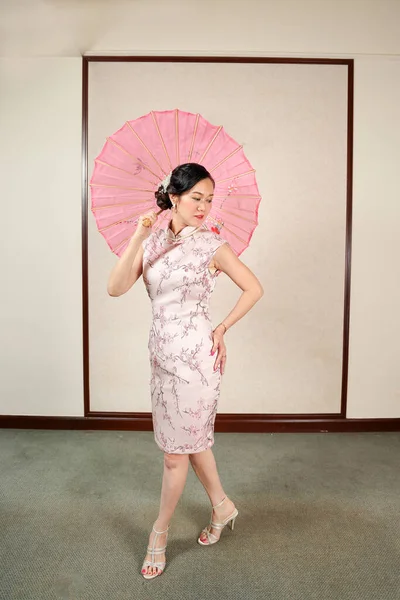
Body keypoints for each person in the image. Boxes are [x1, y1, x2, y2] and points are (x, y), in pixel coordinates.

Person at [107, 162, 263, 580]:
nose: (204, 206)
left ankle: (158, 533)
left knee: (176, 455)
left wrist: (222, 327)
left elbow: (254, 287)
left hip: (196, 358)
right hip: (160, 355)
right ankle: (222, 506)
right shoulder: (152, 240)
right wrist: (139, 235)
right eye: (196, 197)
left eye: (209, 200)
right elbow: (116, 286)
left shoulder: (213, 244)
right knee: (191, 440)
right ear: (173, 197)